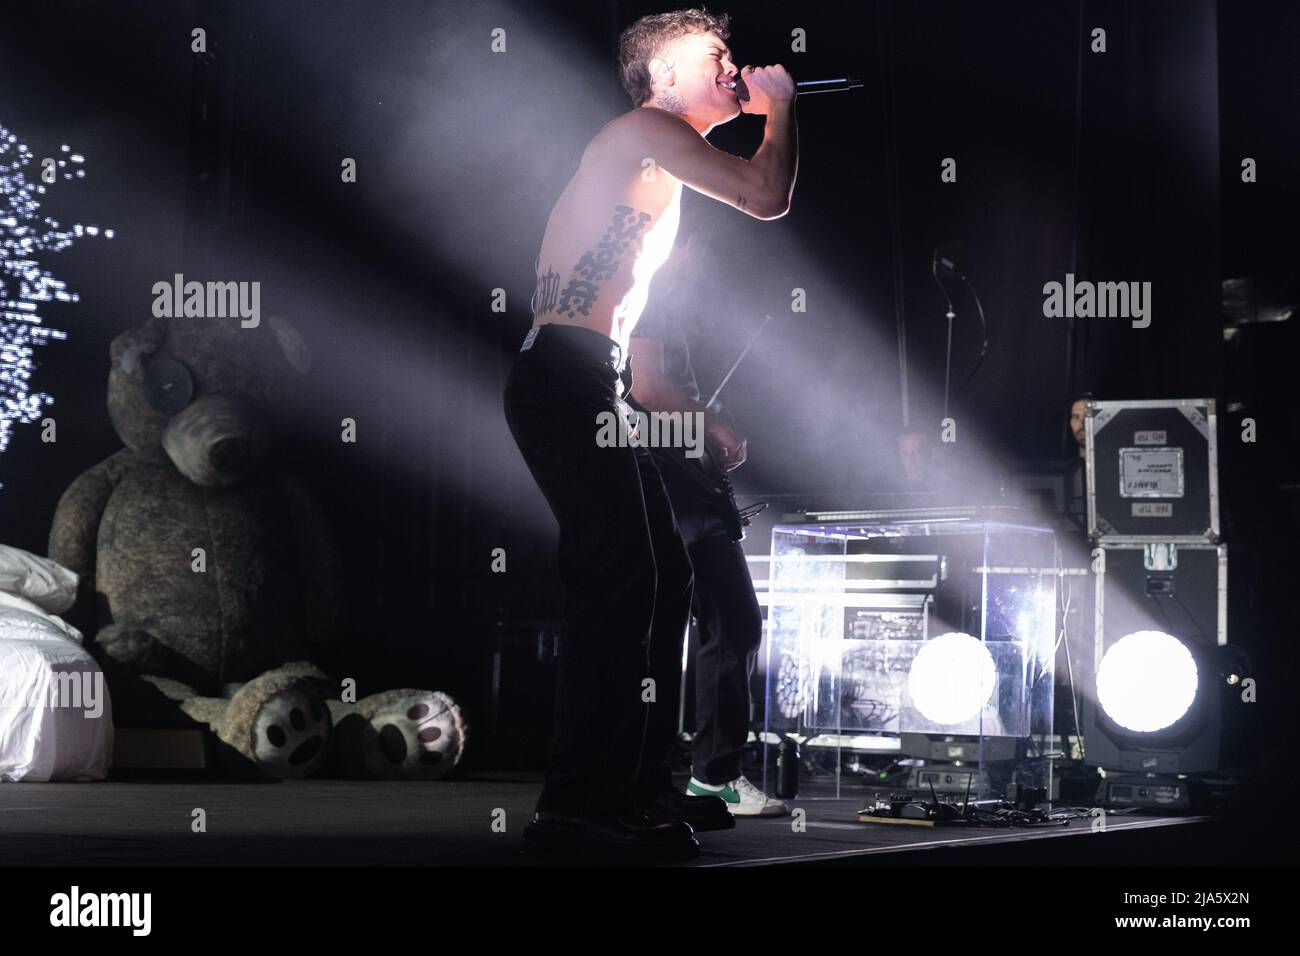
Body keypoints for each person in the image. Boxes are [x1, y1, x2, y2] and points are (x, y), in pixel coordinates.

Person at [502, 7, 797, 860]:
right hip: (565, 375)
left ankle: (639, 783)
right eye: (718, 59)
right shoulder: (643, 128)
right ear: (664, 77)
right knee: (620, 579)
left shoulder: (659, 151)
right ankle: (577, 800)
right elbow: (767, 195)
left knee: (663, 573)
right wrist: (779, 113)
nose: (736, 71)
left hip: (594, 379)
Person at [628, 228, 788, 816]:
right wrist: (713, 423)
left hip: (678, 472)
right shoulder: (650, 291)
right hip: (670, 476)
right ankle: (706, 775)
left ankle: (694, 774)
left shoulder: (669, 300)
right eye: (704, 248)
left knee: (706, 623)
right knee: (728, 619)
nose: (707, 260)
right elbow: (647, 386)